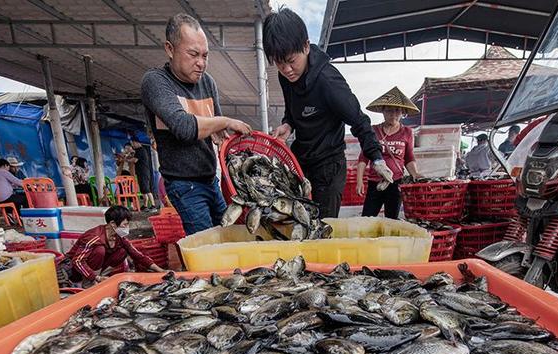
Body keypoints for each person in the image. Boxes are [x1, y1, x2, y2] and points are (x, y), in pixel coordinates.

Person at [264, 7, 392, 219]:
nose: (286, 69)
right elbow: (292, 109)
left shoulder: (328, 81)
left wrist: (376, 158)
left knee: (323, 228)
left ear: (305, 46)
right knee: (295, 221)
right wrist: (288, 124)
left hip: (328, 167)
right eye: (279, 63)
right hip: (302, 161)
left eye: (290, 60)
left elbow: (359, 120)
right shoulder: (286, 77)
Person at [141, 14, 251, 235]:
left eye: (205, 56)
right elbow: (184, 128)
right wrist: (227, 121)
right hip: (184, 185)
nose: (201, 63)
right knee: (208, 246)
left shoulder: (207, 82)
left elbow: (219, 134)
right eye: (193, 54)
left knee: (228, 237)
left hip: (211, 181)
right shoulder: (156, 82)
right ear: (170, 49)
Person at [356, 87, 421, 219]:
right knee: (367, 218)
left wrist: (415, 174)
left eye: (397, 110)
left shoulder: (407, 132)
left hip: (396, 182)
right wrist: (359, 181)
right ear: (383, 112)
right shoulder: (373, 131)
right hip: (375, 182)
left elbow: (409, 157)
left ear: (402, 112)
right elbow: (363, 158)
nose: (393, 114)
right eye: (389, 110)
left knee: (392, 219)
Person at [66, 206, 164, 287]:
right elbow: (77, 261)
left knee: (122, 251)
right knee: (99, 250)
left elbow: (137, 254)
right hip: (75, 272)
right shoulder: (94, 236)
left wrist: (160, 270)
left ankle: (101, 278)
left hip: (96, 271)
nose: (127, 227)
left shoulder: (119, 237)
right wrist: (95, 277)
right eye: (125, 224)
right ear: (112, 223)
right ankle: (89, 283)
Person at [130, 138, 156, 209]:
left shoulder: (140, 150)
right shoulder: (140, 150)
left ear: (137, 142)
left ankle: (153, 205)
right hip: (142, 172)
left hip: (143, 172)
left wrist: (125, 159)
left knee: (146, 189)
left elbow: (134, 160)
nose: (132, 145)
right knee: (143, 190)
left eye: (133, 143)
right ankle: (145, 205)